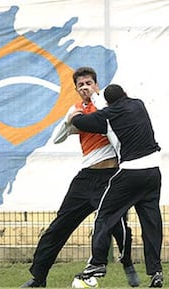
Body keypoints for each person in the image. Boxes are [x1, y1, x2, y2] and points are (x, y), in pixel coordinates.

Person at [21, 67, 139, 288]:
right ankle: (38, 277)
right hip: (85, 178)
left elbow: (110, 126)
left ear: (96, 85)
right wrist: (69, 120)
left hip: (110, 177)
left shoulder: (109, 105)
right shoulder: (77, 110)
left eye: (89, 83)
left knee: (117, 226)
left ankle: (128, 264)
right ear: (76, 89)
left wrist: (93, 104)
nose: (85, 87)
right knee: (59, 226)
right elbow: (57, 138)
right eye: (80, 85)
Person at [70, 84, 163, 288]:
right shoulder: (138, 105)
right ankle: (156, 272)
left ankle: (97, 264)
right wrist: (96, 96)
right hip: (153, 172)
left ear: (109, 103)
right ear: (126, 95)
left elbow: (81, 122)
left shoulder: (108, 116)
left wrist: (75, 113)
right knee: (151, 223)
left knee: (104, 216)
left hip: (130, 173)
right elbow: (111, 105)